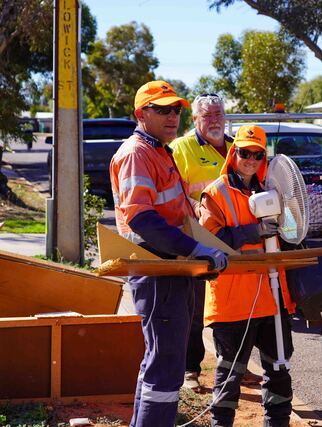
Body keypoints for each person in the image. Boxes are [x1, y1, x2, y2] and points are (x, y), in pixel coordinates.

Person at [109, 80, 228, 427]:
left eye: (176, 109)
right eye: (162, 109)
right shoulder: (137, 153)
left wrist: (202, 240)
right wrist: (196, 247)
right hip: (158, 269)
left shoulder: (161, 150)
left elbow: (175, 212)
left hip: (173, 269)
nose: (172, 115)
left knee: (161, 363)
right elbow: (142, 218)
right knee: (165, 366)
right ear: (141, 113)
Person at [198, 125, 296, 427]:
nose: (251, 159)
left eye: (257, 154)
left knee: (278, 372)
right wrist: (252, 232)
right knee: (230, 375)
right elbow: (208, 241)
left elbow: (293, 232)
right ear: (233, 153)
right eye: (245, 152)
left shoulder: (275, 191)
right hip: (232, 301)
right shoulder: (216, 192)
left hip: (272, 297)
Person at [169, 93, 233, 391]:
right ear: (195, 120)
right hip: (194, 241)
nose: (214, 120)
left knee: (229, 309)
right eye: (207, 116)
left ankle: (232, 367)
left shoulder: (237, 149)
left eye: (218, 114)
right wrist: (197, 211)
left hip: (232, 242)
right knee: (193, 310)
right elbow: (173, 192)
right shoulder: (181, 148)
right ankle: (190, 371)